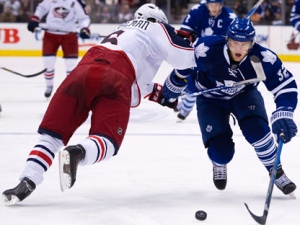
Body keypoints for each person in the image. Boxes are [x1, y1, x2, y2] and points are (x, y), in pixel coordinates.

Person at [2, 3, 195, 205]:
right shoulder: (156, 27)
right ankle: (78, 152)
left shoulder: (122, 29)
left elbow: (137, 86)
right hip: (116, 75)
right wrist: (180, 72)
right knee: (108, 141)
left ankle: (27, 180)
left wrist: (159, 94)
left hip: (83, 70)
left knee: (53, 135)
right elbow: (184, 59)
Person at [161, 17, 298, 194]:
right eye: (235, 43)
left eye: (244, 44)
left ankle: (276, 171)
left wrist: (284, 112)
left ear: (252, 43)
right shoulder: (206, 49)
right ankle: (218, 163)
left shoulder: (263, 58)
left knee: (257, 131)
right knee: (222, 152)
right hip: (210, 99)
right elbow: (183, 68)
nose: (239, 48)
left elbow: (285, 86)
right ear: (228, 40)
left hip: (244, 95)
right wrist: (175, 84)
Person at [175, 0, 236, 121]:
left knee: (205, 83)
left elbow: (235, 41)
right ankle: (186, 106)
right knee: (189, 78)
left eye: (216, 5)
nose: (214, 8)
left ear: (221, 5)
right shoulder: (197, 11)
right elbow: (184, 32)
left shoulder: (230, 17)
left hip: (218, 56)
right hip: (198, 51)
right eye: (211, 5)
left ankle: (186, 105)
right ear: (206, 4)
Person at [27, 0, 91, 98]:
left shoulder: (76, 2)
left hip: (69, 35)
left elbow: (83, 18)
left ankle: (71, 88)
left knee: (71, 65)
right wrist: (35, 19)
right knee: (48, 62)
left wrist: (85, 28)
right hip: (50, 34)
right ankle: (49, 86)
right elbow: (42, 8)